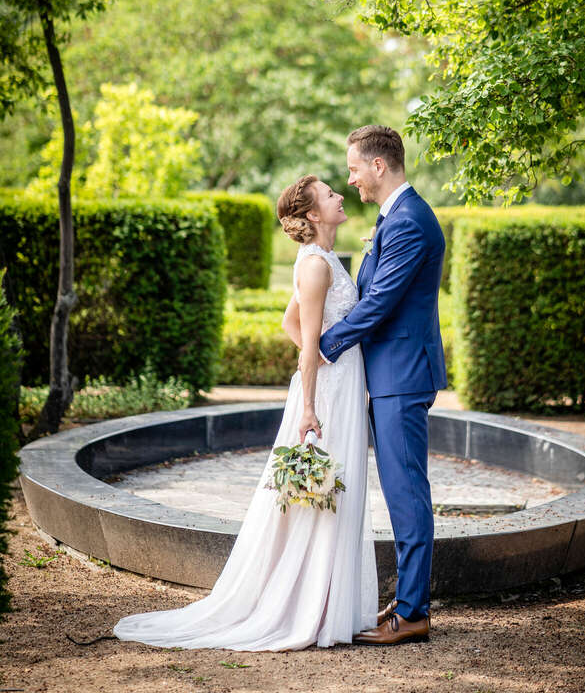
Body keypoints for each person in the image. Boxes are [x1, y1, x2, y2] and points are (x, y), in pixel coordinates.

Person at [113, 175, 377, 651]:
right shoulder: (315, 266)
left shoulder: (322, 258)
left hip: (338, 381)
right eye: (329, 194)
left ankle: (324, 602)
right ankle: (307, 609)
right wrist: (310, 403)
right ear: (313, 213)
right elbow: (305, 340)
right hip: (327, 396)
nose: (340, 195)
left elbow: (288, 321)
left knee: (333, 492)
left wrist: (323, 356)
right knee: (320, 494)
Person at [320, 125, 446, 646]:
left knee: (406, 492)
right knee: (401, 490)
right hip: (392, 374)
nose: (350, 179)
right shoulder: (394, 216)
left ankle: (413, 612)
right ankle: (408, 599)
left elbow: (379, 302)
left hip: (402, 375)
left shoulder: (409, 221)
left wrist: (325, 345)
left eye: (354, 168)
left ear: (378, 165)